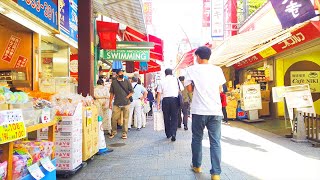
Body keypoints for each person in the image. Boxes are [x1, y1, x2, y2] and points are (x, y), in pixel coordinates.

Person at [184, 46, 226, 180]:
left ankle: (197, 165)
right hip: (215, 111)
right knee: (215, 142)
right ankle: (215, 173)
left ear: (198, 57)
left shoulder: (191, 70)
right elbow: (220, 89)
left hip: (198, 110)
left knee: (197, 138)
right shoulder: (217, 70)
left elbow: (189, 90)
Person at [157, 68, 184, 142]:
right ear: (171, 73)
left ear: (165, 73)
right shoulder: (176, 80)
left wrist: (158, 104)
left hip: (165, 100)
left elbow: (159, 93)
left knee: (166, 117)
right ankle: (173, 133)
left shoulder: (162, 81)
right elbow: (181, 89)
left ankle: (168, 133)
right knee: (174, 117)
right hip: (174, 100)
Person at [109, 70, 133, 139]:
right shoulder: (114, 83)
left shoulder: (127, 81)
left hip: (126, 103)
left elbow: (131, 91)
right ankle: (113, 131)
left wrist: (127, 97)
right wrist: (110, 102)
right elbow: (112, 93)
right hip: (117, 103)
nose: (121, 74)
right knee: (113, 118)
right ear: (117, 75)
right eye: (120, 73)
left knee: (126, 119)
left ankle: (124, 133)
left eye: (122, 73)